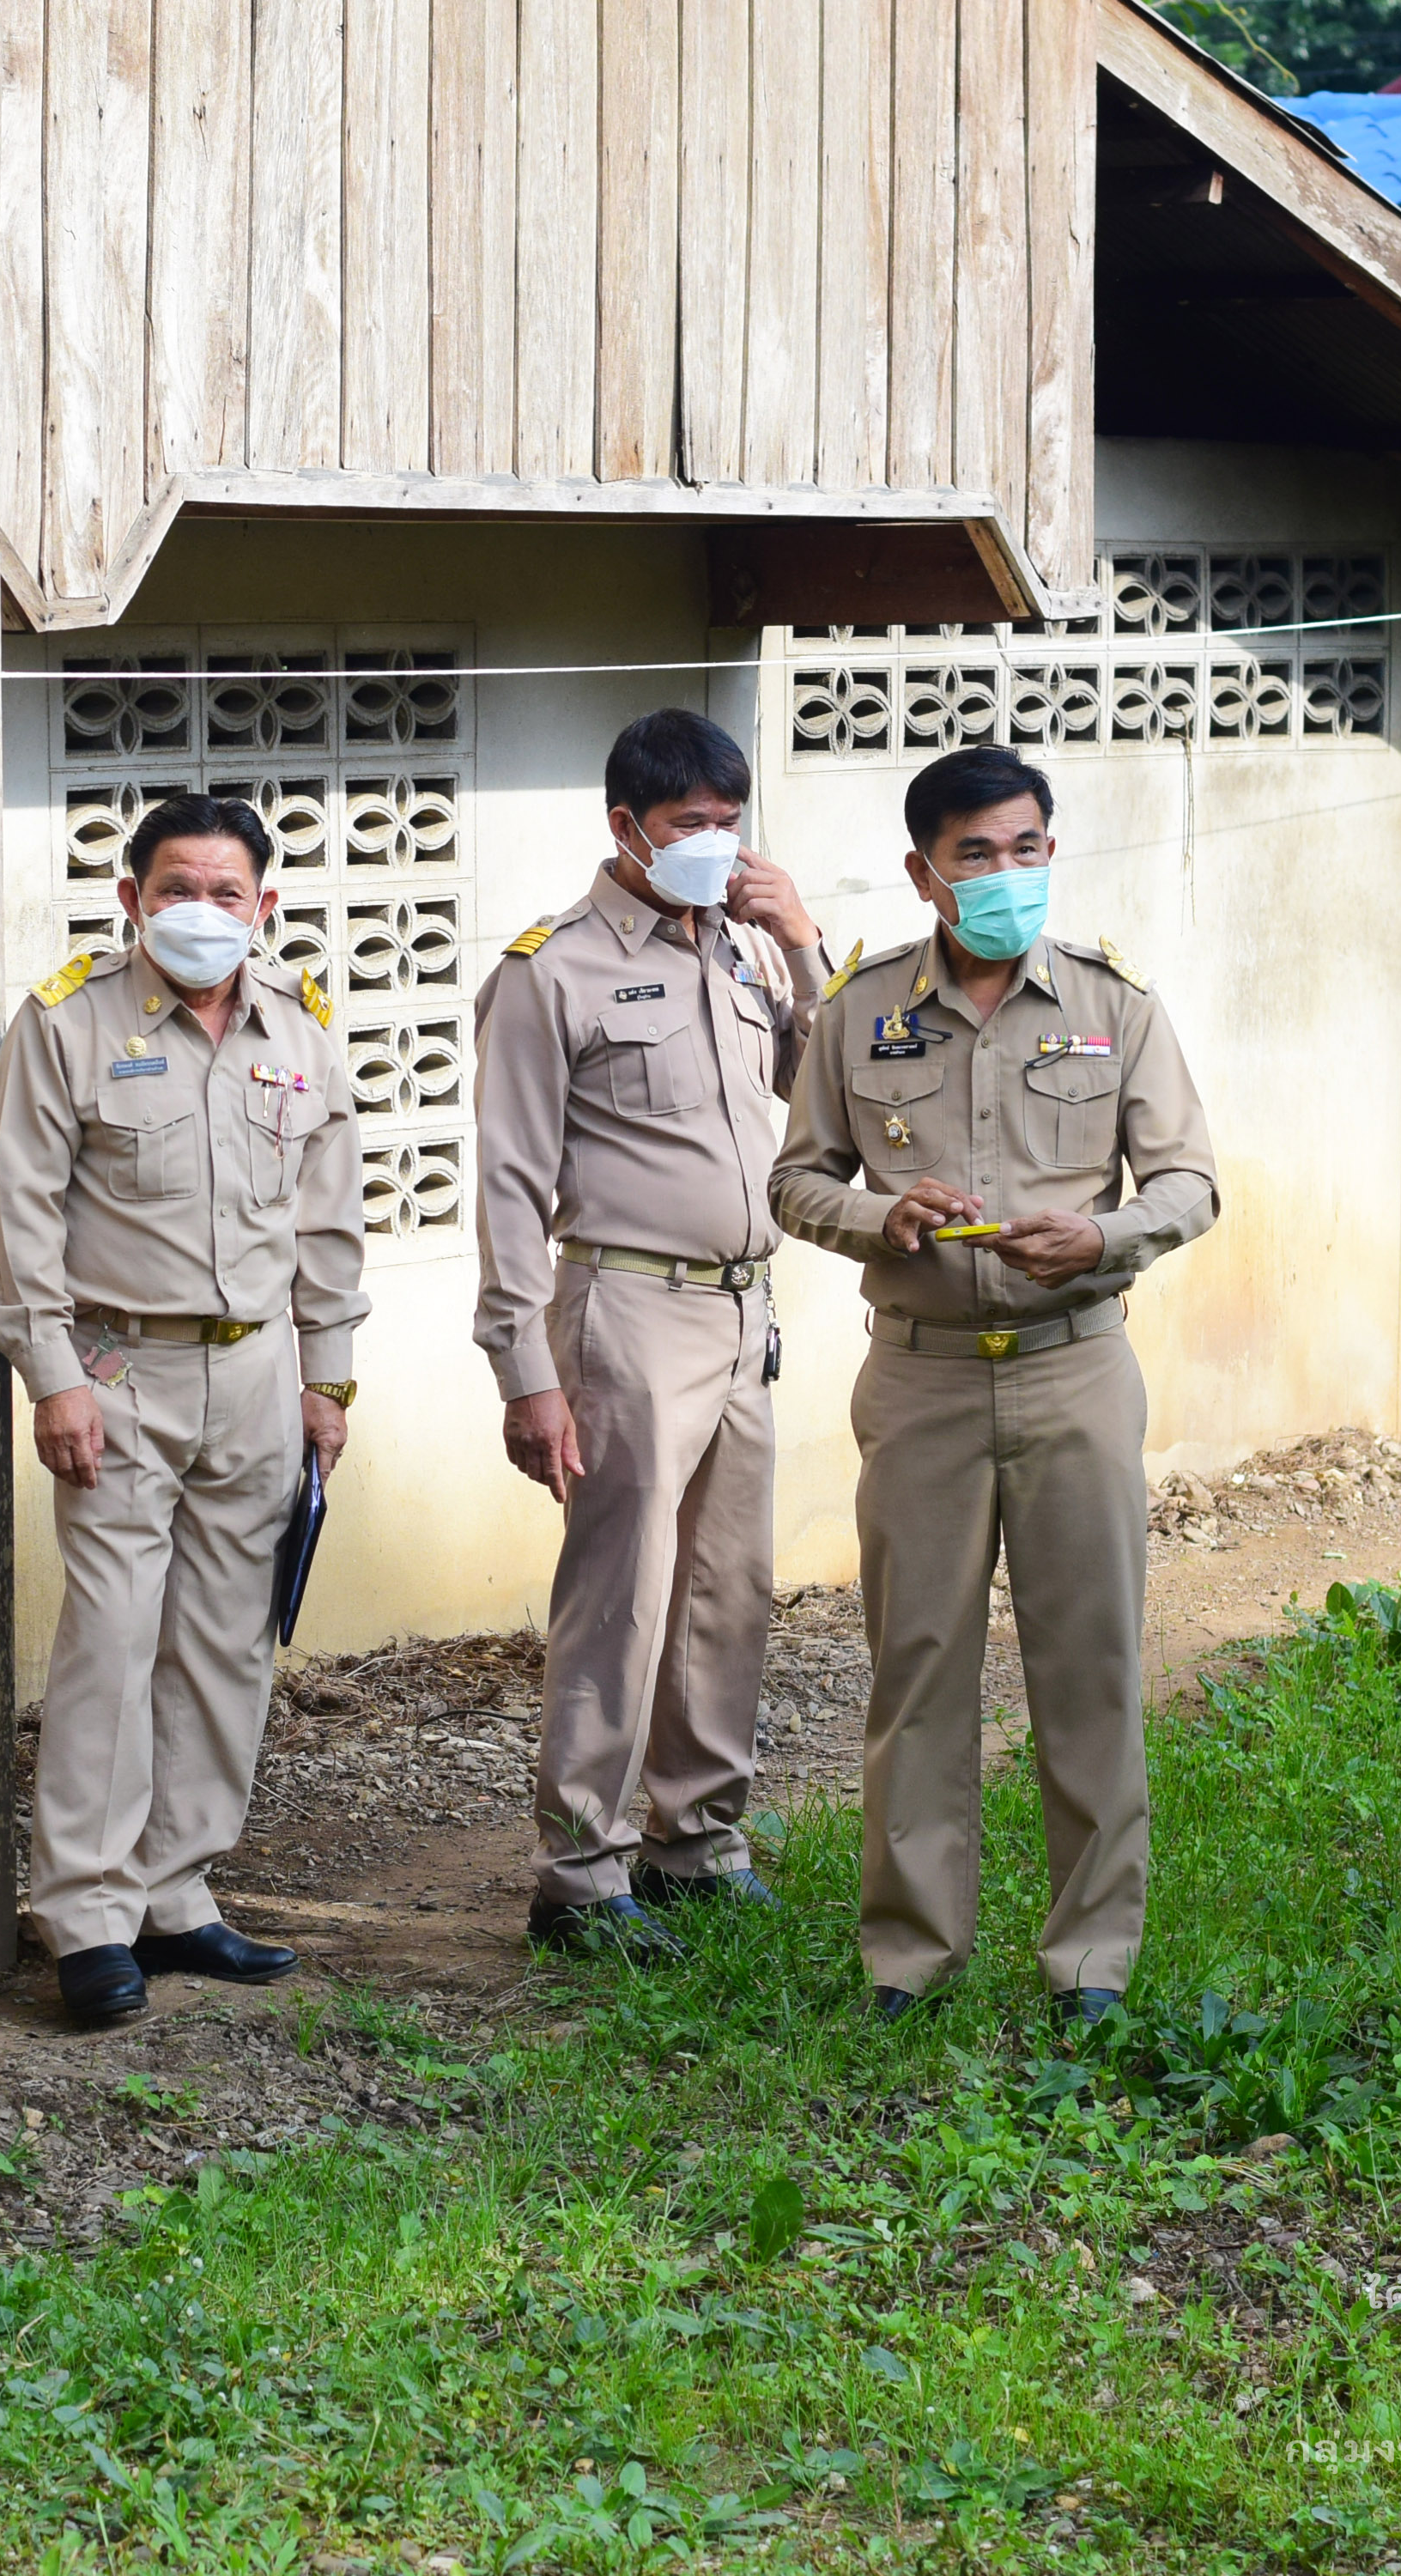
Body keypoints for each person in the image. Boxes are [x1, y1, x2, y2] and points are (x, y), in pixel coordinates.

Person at [772, 746, 1218, 2021]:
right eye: (978, 855)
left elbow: (1190, 1181)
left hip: (1076, 1371)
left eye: (1028, 849)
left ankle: (1091, 1960)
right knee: (917, 1668)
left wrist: (1106, 1237)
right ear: (925, 871)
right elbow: (795, 1181)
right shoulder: (858, 1010)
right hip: (919, 1384)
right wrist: (879, 1216)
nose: (1008, 874)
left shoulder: (1111, 1004)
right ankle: (910, 1956)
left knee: (1092, 1665)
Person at [0, 794, 367, 2028]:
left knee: (223, 1640)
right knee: (109, 1640)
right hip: (118, 1372)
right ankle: (87, 1918)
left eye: (226, 892)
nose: (202, 913)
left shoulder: (301, 1030)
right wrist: (52, 1378)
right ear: (130, 901)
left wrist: (327, 1375)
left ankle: (178, 1894)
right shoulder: (65, 1025)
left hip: (256, 1372)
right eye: (177, 890)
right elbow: (26, 1217)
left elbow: (328, 1220)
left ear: (264, 905)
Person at [470, 709, 832, 1958]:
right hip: (625, 1309)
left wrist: (805, 943)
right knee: (622, 1597)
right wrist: (527, 1373)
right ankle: (580, 1874)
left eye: (731, 824)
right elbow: (511, 1185)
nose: (717, 847)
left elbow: (833, 1092)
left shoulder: (747, 953)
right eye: (692, 826)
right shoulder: (550, 970)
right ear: (624, 827)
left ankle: (698, 1841)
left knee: (727, 1590)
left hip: (742, 1307)